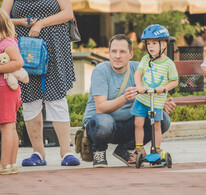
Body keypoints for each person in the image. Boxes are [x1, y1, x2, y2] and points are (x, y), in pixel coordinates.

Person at [1, 0, 80, 166]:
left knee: (57, 97)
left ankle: (66, 153)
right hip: (24, 45)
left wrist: (41, 24)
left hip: (55, 44)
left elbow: (67, 13)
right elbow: (2, 16)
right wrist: (21, 22)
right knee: (30, 99)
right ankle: (38, 153)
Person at [82, 34, 176, 168]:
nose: (117, 56)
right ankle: (99, 150)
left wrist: (161, 102)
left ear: (131, 54)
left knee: (163, 120)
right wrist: (124, 98)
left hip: (127, 124)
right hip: (99, 125)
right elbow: (100, 108)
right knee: (105, 122)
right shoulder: (101, 71)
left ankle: (124, 150)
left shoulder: (139, 69)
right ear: (109, 53)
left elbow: (153, 89)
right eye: (113, 51)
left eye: (122, 52)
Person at [129, 24, 178, 163]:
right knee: (138, 122)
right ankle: (139, 149)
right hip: (142, 99)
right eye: (148, 43)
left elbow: (174, 81)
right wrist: (139, 86)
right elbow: (138, 74)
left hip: (156, 102)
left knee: (156, 124)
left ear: (163, 45)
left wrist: (164, 87)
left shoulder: (169, 64)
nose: (150, 47)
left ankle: (157, 149)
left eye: (154, 43)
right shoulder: (145, 59)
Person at [0, 8, 24, 174]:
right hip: (7, 90)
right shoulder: (7, 42)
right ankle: (12, 163)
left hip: (4, 90)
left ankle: (5, 164)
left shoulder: (6, 44)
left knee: (7, 126)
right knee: (10, 126)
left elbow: (18, 62)